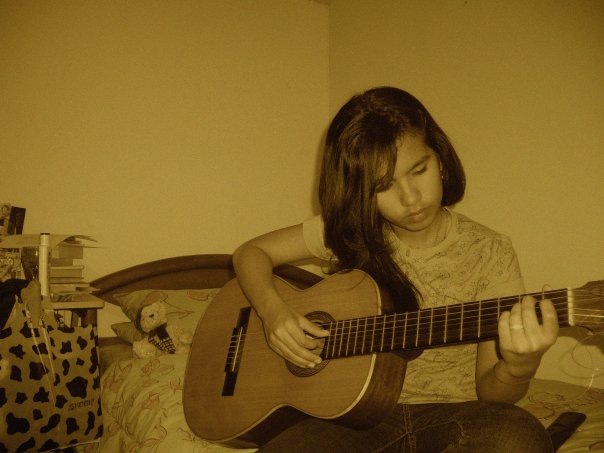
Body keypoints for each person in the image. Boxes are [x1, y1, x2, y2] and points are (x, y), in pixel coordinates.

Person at [232, 87, 559, 452]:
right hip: (350, 419)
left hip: (456, 415)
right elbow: (250, 253)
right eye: (383, 186)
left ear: (440, 159)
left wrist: (518, 367)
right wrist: (273, 312)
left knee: (519, 438)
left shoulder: (490, 251)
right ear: (359, 192)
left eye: (419, 170)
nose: (411, 198)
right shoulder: (349, 234)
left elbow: (492, 395)